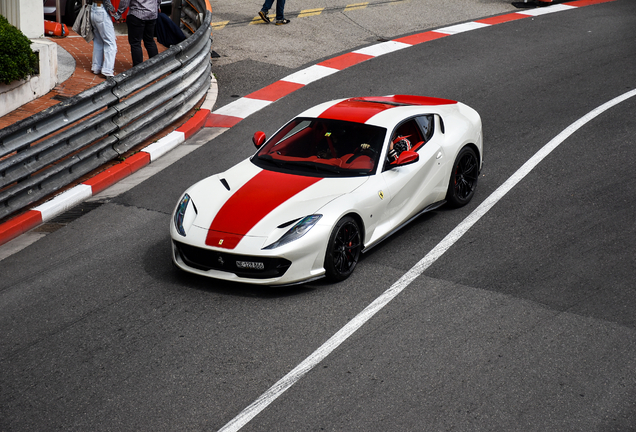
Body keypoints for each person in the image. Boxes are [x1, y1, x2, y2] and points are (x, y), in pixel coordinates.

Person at [114, 0, 161, 67]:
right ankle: (156, 65)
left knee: (135, 43)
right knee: (149, 41)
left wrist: (118, 13)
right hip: (151, 14)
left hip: (137, 14)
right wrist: (157, 6)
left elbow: (125, 1)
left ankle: (138, 68)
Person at [91, 0, 118, 78]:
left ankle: (96, 67)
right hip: (101, 10)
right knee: (110, 43)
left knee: (98, 41)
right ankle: (107, 70)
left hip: (93, 8)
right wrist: (113, 11)